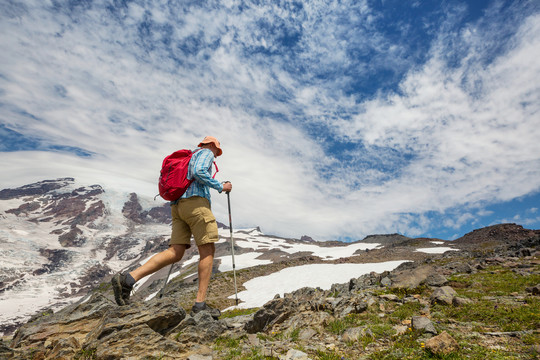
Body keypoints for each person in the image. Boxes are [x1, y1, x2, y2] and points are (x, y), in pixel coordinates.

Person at [111, 136, 232, 319]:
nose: (216, 155)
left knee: (176, 251)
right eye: (217, 151)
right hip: (196, 205)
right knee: (207, 250)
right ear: (212, 146)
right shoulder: (206, 153)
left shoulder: (188, 157)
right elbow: (199, 171)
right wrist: (220, 186)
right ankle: (200, 305)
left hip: (177, 207)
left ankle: (128, 279)